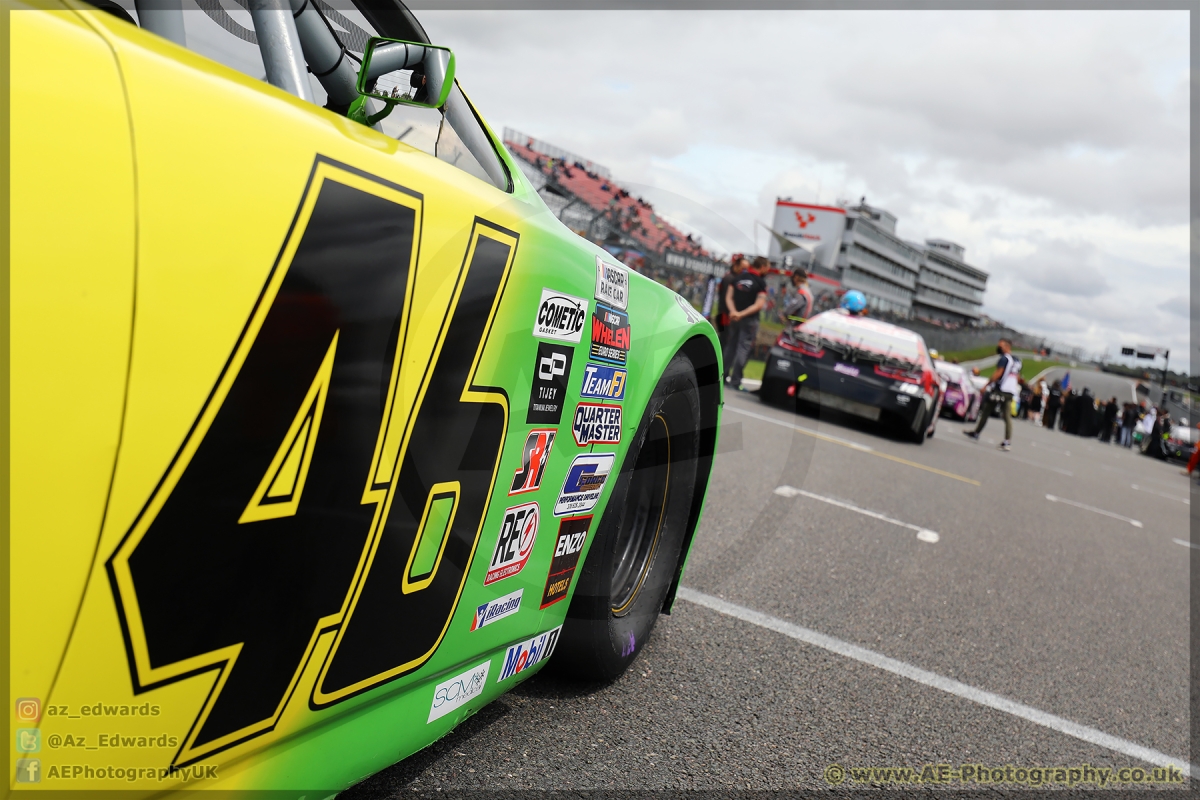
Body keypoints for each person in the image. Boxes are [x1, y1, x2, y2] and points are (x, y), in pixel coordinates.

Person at [964, 338, 1022, 450]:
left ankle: (977, 433)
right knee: (1007, 416)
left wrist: (987, 385)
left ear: (1007, 347)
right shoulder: (1017, 361)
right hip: (1010, 391)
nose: (999, 348)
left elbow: (998, 374)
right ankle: (1007, 441)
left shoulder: (1004, 359)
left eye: (1001, 346)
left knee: (986, 410)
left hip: (1000, 389)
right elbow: (1018, 377)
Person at [723, 256, 768, 390]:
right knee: (743, 348)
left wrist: (734, 312)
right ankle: (736, 380)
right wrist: (741, 314)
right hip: (749, 320)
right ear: (762, 266)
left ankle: (723, 375)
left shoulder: (737, 279)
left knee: (730, 347)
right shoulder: (760, 283)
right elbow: (759, 304)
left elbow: (728, 297)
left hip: (734, 318)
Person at [713, 256, 744, 350]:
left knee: (725, 339)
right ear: (736, 265)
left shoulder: (731, 277)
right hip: (724, 314)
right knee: (724, 339)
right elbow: (727, 298)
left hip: (724, 314)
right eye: (742, 267)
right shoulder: (729, 279)